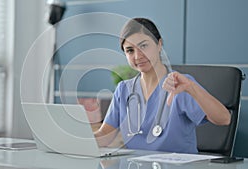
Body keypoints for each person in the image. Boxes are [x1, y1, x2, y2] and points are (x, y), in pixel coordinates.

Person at [94, 17, 231, 154]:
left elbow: (224, 119)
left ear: (159, 44)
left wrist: (192, 88)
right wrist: (77, 140)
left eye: (144, 46)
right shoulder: (123, 90)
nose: (138, 56)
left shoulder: (182, 84)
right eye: (130, 50)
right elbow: (105, 136)